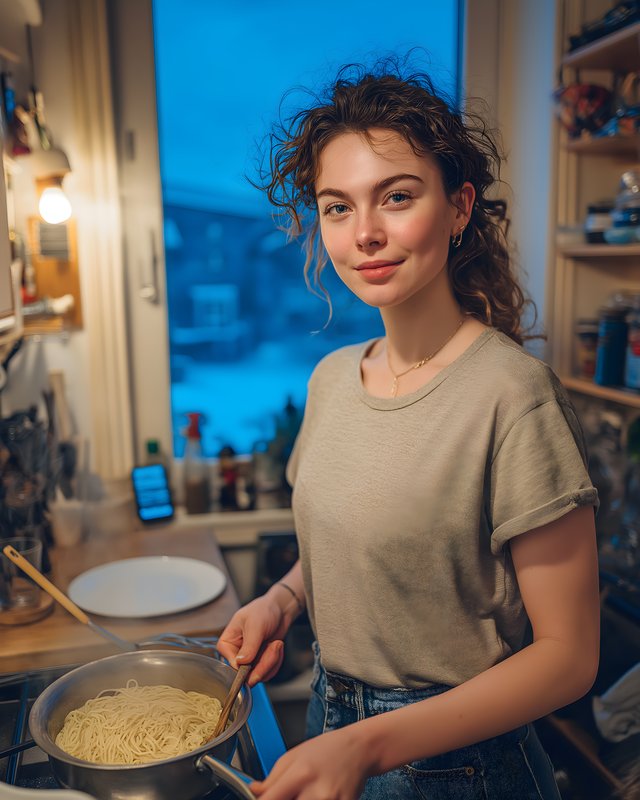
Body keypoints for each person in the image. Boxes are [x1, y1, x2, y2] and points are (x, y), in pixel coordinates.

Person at [217, 57, 600, 800]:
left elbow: (568, 658)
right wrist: (283, 602)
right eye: (337, 206)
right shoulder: (331, 380)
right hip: (336, 731)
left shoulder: (514, 397)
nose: (365, 233)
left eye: (396, 197)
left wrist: (367, 745)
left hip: (462, 769)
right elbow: (364, 548)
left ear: (458, 209)